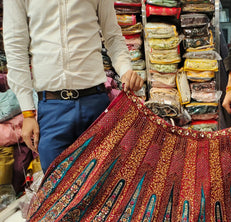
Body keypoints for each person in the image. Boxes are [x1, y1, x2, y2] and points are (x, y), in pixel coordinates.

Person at [3, 0, 144, 172]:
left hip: (96, 105)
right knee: (55, 190)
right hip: (53, 110)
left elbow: (113, 35)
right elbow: (15, 47)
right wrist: (27, 112)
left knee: (102, 186)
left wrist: (126, 70)